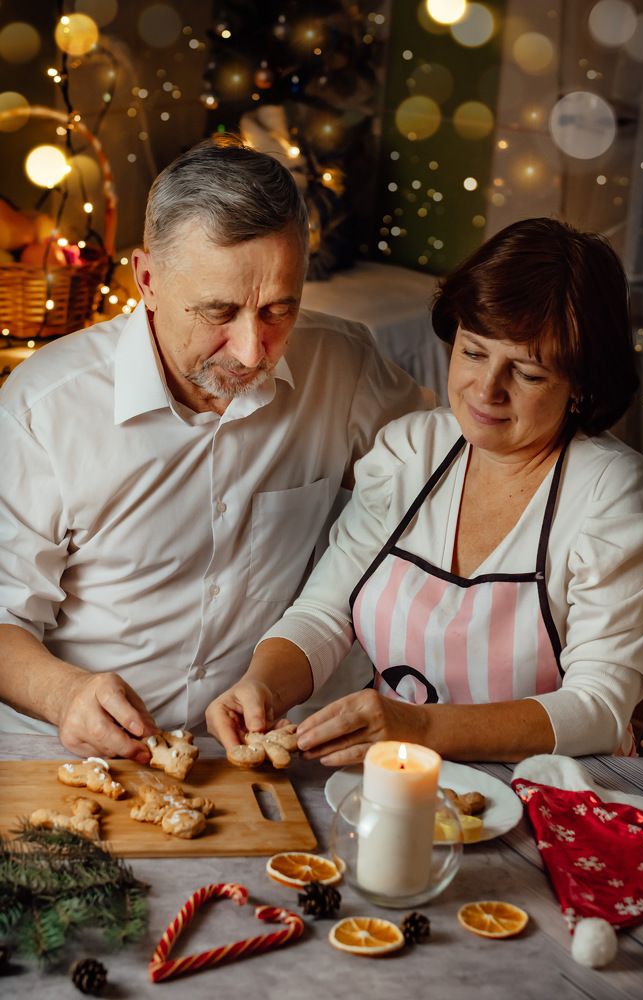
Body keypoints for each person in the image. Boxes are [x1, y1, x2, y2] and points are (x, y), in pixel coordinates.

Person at [0, 136, 429, 761]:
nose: (252, 351)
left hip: (269, 750)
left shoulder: (345, 366)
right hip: (71, 750)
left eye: (279, 310)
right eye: (218, 311)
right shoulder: (42, 408)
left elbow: (458, 472)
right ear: (148, 279)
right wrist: (65, 696)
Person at [210, 217, 643, 764]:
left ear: (581, 386)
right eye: (473, 352)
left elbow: (601, 708)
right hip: (396, 777)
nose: (487, 389)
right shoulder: (411, 451)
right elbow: (325, 613)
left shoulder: (608, 492)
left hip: (548, 793)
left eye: (527, 373)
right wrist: (262, 685)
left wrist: (419, 726)